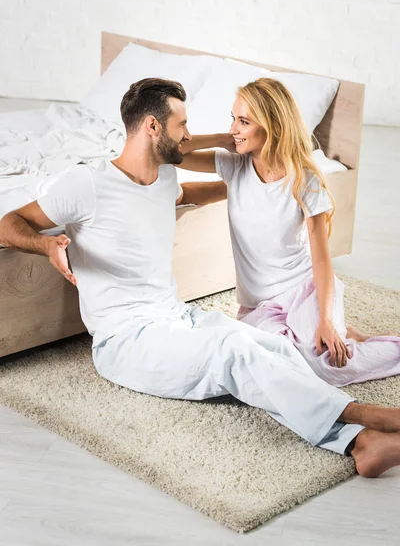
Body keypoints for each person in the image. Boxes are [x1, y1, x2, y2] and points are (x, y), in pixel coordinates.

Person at [1, 77, 400, 479]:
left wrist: (252, 187)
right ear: (153, 128)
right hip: (126, 341)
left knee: (272, 350)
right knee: (232, 351)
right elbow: (8, 223)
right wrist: (45, 246)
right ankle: (362, 424)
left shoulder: (163, 180)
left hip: (178, 317)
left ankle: (356, 441)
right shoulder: (85, 183)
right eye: (182, 125)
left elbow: (188, 193)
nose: (189, 134)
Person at [178, 77, 400, 388]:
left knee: (323, 367)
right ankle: (343, 333)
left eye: (244, 121)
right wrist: (223, 137)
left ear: (272, 125)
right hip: (258, 306)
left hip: (303, 290)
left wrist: (324, 321)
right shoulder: (234, 166)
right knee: (278, 364)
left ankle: (382, 346)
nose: (234, 129)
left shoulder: (304, 180)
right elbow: (173, 152)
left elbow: (322, 261)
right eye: (233, 119)